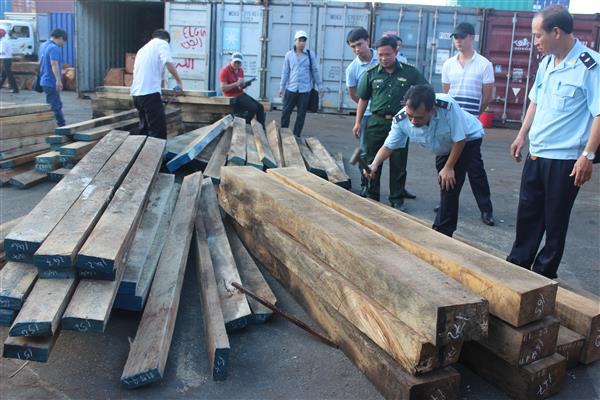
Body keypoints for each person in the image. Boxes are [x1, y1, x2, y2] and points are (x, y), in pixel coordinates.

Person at [507, 5, 599, 279]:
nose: (535, 41)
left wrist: (588, 155)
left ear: (556, 32)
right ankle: (517, 267)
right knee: (528, 215)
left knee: (554, 221)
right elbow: (536, 101)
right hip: (538, 154)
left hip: (565, 160)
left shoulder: (589, 65)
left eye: (537, 35)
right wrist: (522, 135)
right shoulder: (546, 62)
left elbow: (599, 113)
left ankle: (543, 276)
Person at [367, 85, 488, 237]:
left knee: (450, 184)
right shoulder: (401, 119)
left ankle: (443, 232)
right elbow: (389, 146)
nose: (412, 121)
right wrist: (374, 164)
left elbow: (460, 139)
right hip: (443, 146)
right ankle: (442, 226)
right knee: (444, 181)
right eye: (410, 115)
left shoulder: (447, 106)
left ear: (432, 110)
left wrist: (449, 167)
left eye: (419, 117)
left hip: (469, 139)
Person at [353, 35, 427, 211]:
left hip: (401, 124)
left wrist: (413, 105)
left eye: (387, 54)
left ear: (396, 51)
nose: (384, 59)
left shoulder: (410, 72)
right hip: (376, 123)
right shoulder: (371, 74)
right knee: (372, 161)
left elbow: (425, 90)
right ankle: (372, 195)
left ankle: (396, 198)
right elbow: (363, 99)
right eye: (380, 55)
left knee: (398, 163)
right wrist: (357, 123)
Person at [441, 22, 495, 226]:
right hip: (452, 125)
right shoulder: (448, 64)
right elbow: (446, 94)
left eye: (462, 37)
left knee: (475, 169)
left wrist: (473, 116)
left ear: (472, 37)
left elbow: (487, 96)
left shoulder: (484, 64)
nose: (458, 40)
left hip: (471, 126)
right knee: (447, 165)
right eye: (455, 37)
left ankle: (486, 209)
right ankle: (445, 203)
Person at [130, 29, 183, 139]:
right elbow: (168, 63)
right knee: (157, 132)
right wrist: (179, 82)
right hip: (149, 94)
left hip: (137, 95)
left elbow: (153, 70)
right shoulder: (162, 44)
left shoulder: (143, 49)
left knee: (144, 130)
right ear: (166, 39)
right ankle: (156, 156)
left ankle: (142, 154)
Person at [345, 27, 378, 197]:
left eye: (359, 44)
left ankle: (399, 190)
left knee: (394, 151)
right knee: (365, 151)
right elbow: (353, 94)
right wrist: (367, 106)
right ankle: (366, 183)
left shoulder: (383, 57)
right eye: (353, 46)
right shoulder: (352, 69)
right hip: (366, 115)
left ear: (368, 40)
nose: (357, 49)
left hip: (389, 114)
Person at [279, 30, 324, 137]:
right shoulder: (289, 55)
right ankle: (284, 134)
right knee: (286, 112)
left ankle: (296, 135)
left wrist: (320, 86)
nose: (302, 43)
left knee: (301, 115)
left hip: (305, 90)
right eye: (300, 40)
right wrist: (282, 87)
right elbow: (285, 72)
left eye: (304, 40)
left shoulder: (310, 55)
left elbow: (315, 71)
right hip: (291, 89)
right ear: (295, 41)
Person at [219, 52, 265, 128]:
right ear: (231, 61)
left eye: (239, 62)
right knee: (253, 108)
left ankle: (262, 129)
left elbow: (240, 87)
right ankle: (244, 125)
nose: (237, 64)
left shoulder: (240, 70)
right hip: (231, 95)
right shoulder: (224, 71)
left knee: (260, 107)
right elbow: (223, 88)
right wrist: (235, 84)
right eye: (235, 62)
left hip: (239, 93)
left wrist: (246, 84)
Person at [39, 29, 67, 126]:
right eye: (63, 41)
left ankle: (54, 125)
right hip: (51, 81)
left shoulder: (44, 45)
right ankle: (62, 127)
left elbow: (41, 63)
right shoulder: (54, 48)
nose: (63, 44)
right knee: (55, 106)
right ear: (60, 38)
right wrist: (58, 81)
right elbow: (54, 64)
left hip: (44, 80)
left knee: (53, 104)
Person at [0, 28, 18, 93]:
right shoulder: (5, 40)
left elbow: (2, 52)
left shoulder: (3, 42)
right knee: (3, 75)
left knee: (9, 75)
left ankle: (15, 89)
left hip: (5, 59)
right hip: (6, 59)